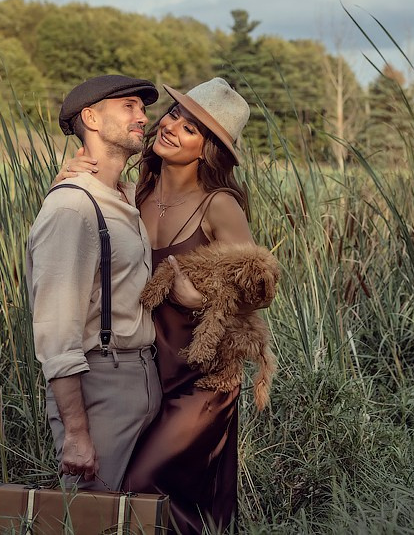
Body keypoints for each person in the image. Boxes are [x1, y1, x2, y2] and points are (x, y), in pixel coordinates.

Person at [58, 77, 260, 533]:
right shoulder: (134, 195)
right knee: (148, 496)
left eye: (191, 128)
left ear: (209, 149)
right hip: (147, 369)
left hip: (202, 377)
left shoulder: (219, 205)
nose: (171, 126)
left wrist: (203, 297)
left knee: (144, 483)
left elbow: (259, 286)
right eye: (173, 115)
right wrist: (66, 178)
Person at [26, 74, 163, 491]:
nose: (142, 116)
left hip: (143, 375)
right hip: (99, 384)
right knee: (88, 518)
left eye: (143, 108)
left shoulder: (127, 195)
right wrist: (77, 433)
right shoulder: (72, 206)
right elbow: (56, 331)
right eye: (129, 106)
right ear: (91, 118)